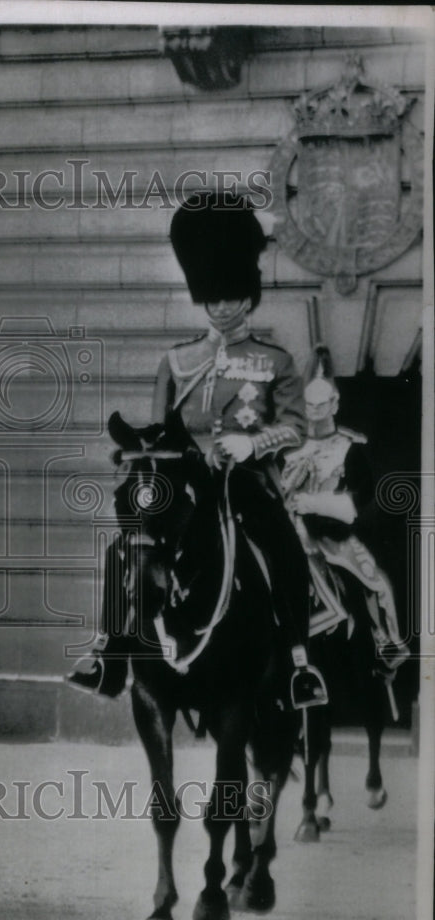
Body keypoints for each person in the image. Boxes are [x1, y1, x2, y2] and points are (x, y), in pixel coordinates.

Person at [69, 192, 327, 709]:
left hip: (246, 482)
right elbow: (164, 430)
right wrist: (136, 455)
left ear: (247, 297)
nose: (223, 304)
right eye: (214, 295)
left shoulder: (274, 360)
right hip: (186, 483)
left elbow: (297, 427)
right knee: (124, 547)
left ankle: (300, 662)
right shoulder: (178, 360)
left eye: (232, 295)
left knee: (284, 544)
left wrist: (252, 442)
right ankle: (109, 652)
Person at [281, 349, 409, 676]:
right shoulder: (288, 447)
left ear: (334, 405)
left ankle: (386, 646)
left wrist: (314, 504)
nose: (314, 412)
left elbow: (359, 498)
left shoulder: (349, 447)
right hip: (287, 530)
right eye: (308, 405)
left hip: (330, 535)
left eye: (321, 405)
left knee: (376, 583)